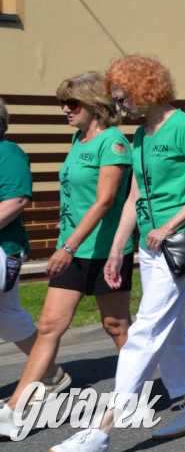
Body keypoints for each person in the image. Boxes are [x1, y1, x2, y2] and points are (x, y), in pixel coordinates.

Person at [52, 55, 185, 452]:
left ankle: (102, 430)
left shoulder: (184, 126)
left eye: (123, 98)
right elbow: (134, 198)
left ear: (145, 90)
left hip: (175, 247)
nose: (119, 107)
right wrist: (115, 251)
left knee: (144, 330)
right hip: (149, 247)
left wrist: (167, 226)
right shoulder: (141, 135)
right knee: (171, 331)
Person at [0, 75, 133, 437]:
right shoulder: (79, 139)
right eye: (63, 102)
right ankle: (16, 408)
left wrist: (68, 246)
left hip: (101, 252)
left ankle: (141, 388)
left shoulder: (114, 143)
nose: (65, 109)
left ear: (95, 105)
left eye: (72, 103)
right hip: (72, 250)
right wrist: (68, 246)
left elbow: (105, 201)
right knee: (47, 327)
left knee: (116, 327)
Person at [0, 97, 52, 413]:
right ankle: (49, 372)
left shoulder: (9, 153)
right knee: (8, 318)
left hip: (3, 248)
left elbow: (16, 200)